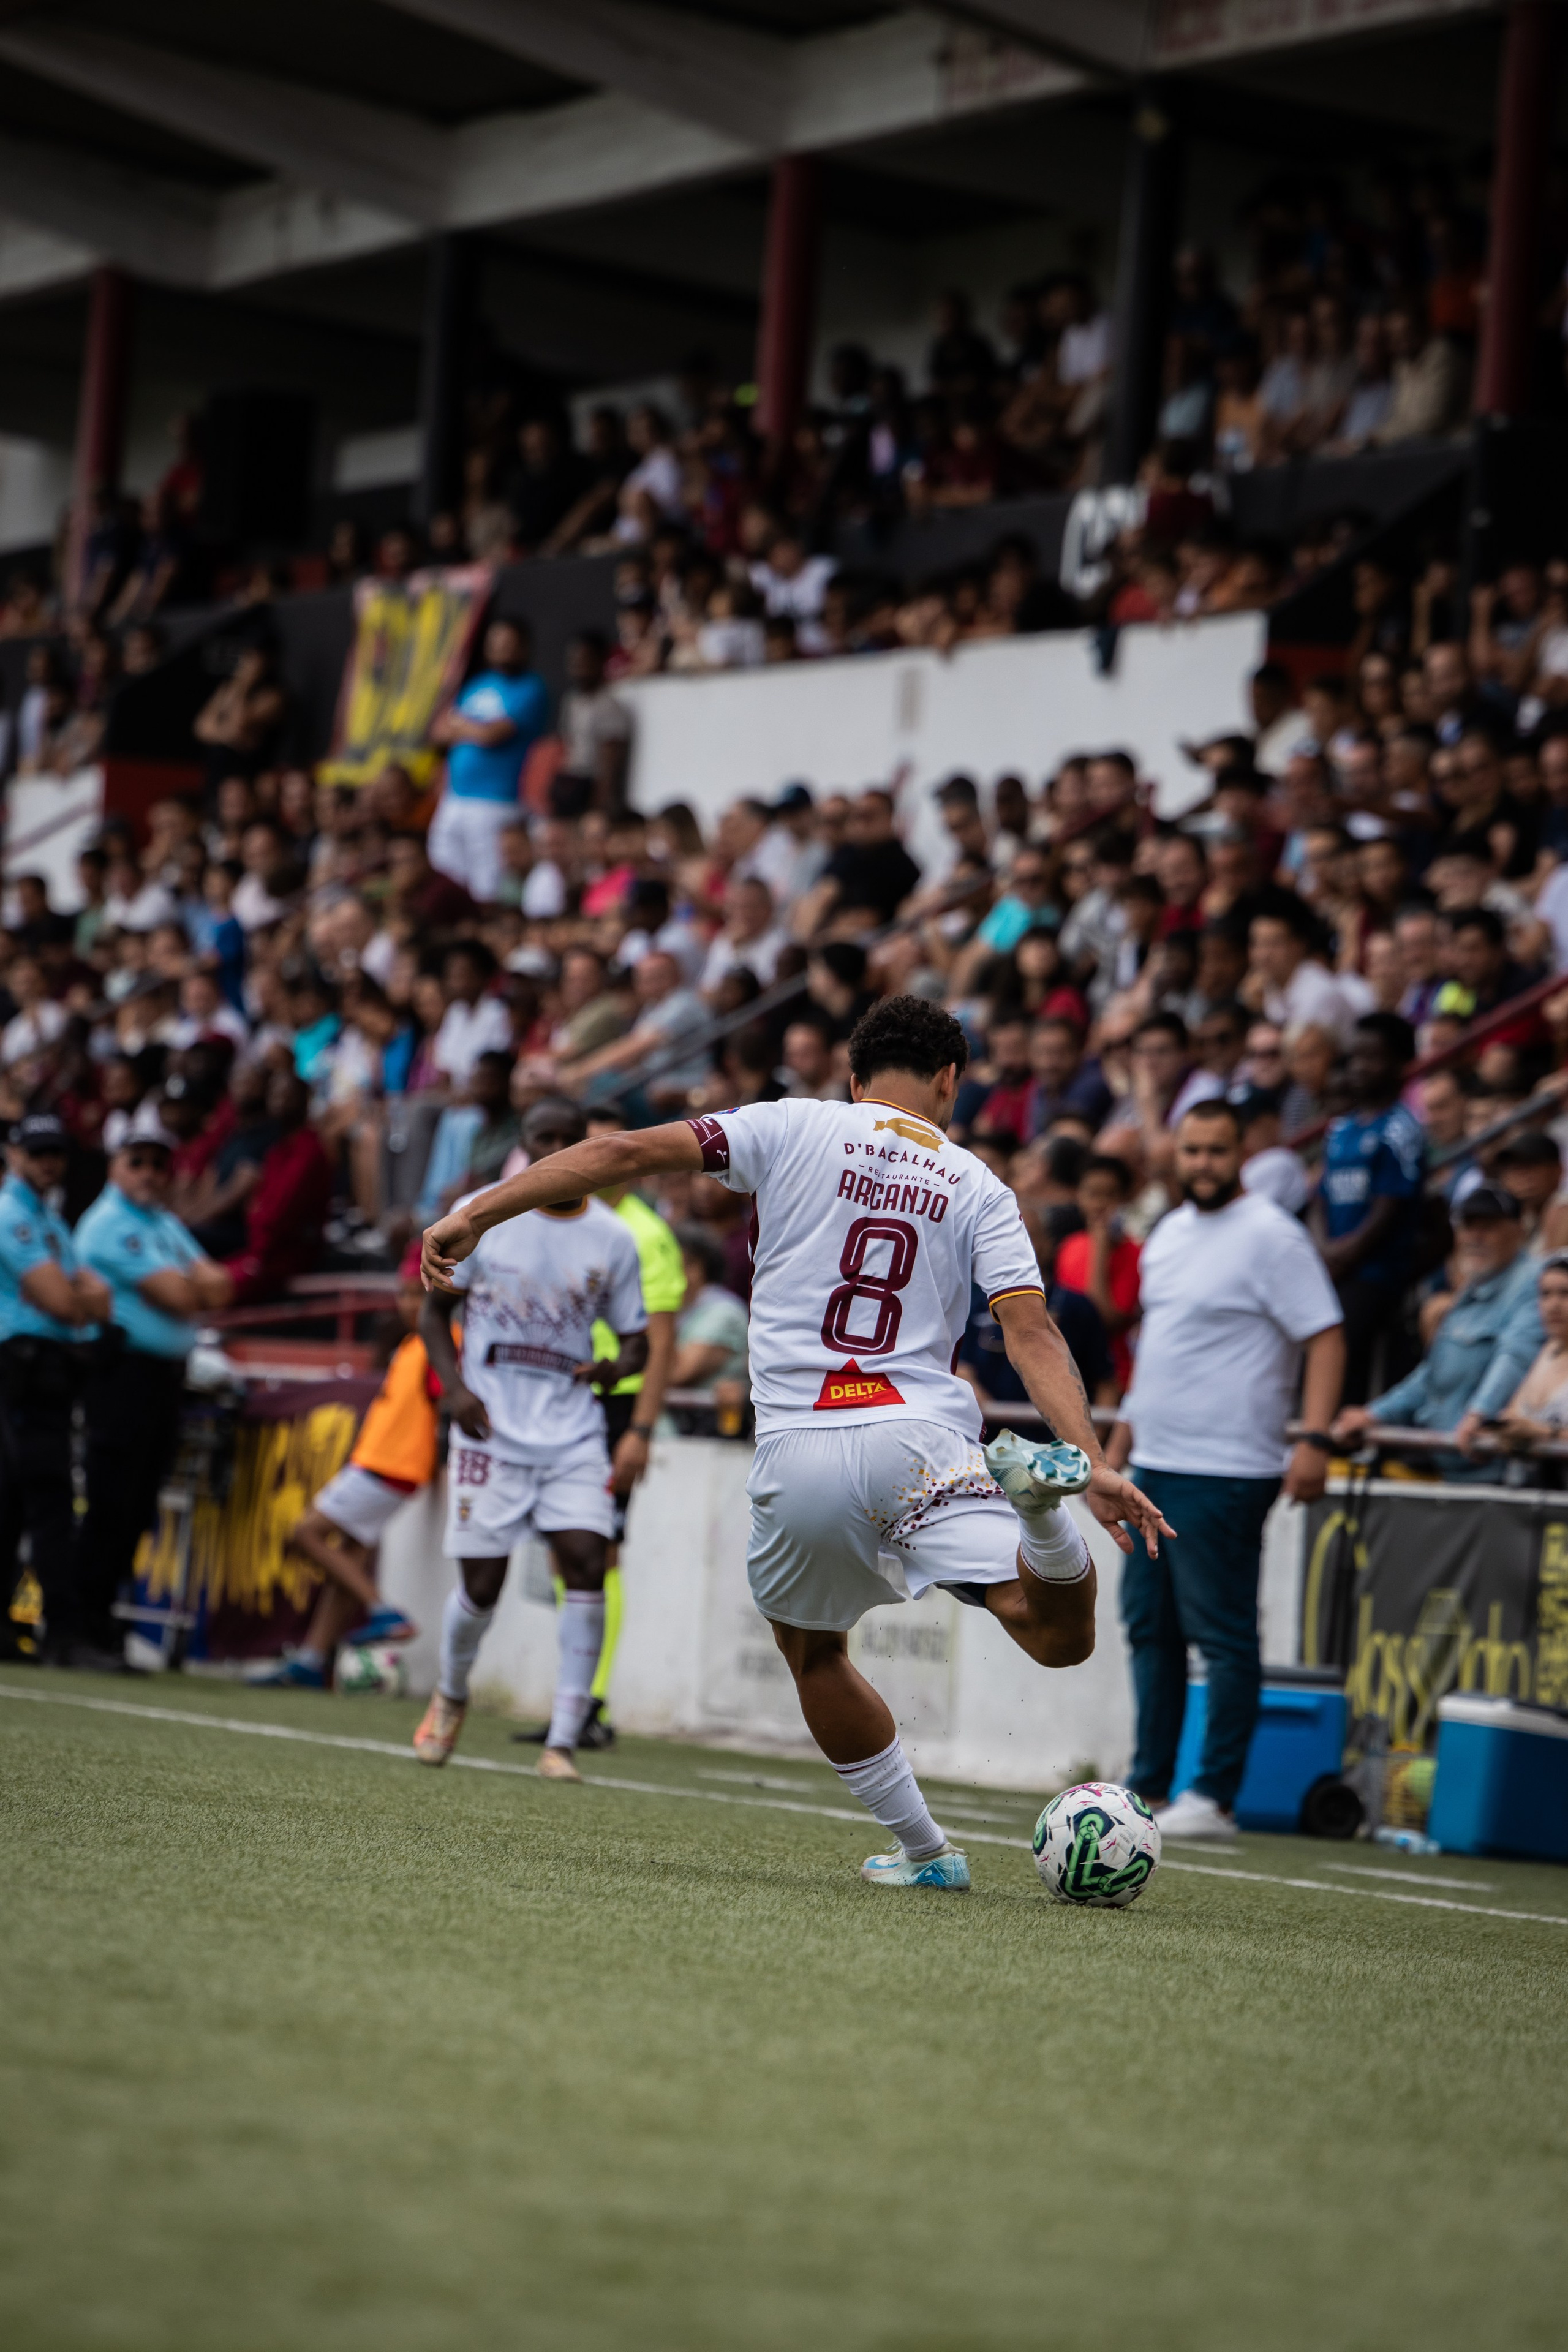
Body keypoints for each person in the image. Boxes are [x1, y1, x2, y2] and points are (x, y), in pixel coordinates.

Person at [423, 995, 1170, 1892]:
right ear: (949, 1082)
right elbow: (1031, 1332)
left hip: (801, 1446)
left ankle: (928, 1854)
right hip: (921, 1439)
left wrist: (479, 1213)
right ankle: (1045, 1515)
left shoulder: (785, 1125)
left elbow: (618, 1153)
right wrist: (1087, 1455)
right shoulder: (980, 1184)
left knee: (814, 1653)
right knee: (1055, 1638)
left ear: (853, 1079)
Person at [1108, 1098, 1345, 1842]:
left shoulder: (1272, 1236)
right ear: (1175, 1154)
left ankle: (1213, 1795)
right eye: (1192, 1151)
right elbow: (1157, 1350)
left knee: (1221, 1632)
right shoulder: (1168, 1234)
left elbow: (1327, 1336)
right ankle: (1147, 1782)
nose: (1203, 1164)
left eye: (1217, 1151)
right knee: (1150, 1628)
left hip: (1229, 1468)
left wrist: (1313, 1439)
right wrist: (1118, 1446)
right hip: (1153, 1460)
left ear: (1242, 1152)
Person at [414, 1098, 649, 1782]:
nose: (554, 1150)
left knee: (586, 1560)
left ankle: (564, 1740)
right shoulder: (482, 1215)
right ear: (522, 1143)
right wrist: (454, 1390)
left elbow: (638, 1342)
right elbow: (433, 1315)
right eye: (541, 1139)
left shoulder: (613, 1237)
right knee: (481, 1587)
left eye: (566, 1140)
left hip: (572, 1429)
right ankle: (452, 1693)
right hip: (492, 1428)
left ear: (584, 1146)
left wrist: (616, 1367)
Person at [72, 1102, 234, 1655]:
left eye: (159, 1165)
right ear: (115, 1165)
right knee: (111, 1500)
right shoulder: (109, 1224)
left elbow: (219, 1288)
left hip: (164, 1378)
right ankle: (82, 1624)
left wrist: (195, 1284)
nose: (149, 1174)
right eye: (137, 1161)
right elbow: (188, 1294)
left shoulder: (162, 1222)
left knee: (139, 1504)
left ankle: (103, 1621)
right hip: (122, 1375)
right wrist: (194, 1284)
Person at [263, 1248, 434, 1687]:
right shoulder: (416, 1342)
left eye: (422, 1294)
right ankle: (311, 1659)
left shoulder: (439, 1341)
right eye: (406, 1293)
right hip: (386, 1464)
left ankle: (383, 1611)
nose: (411, 1303)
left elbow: (449, 1399)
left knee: (305, 1533)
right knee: (347, 1567)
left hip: (389, 1465)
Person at [0, 1114, 112, 1666]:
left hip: (41, 1368)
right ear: (14, 1155)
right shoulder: (12, 1214)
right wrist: (78, 1295)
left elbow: (92, 1291)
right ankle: (64, 1634)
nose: (49, 1162)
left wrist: (78, 1293)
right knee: (46, 1502)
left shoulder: (46, 1216)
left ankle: (21, 1629)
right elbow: (69, 1301)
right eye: (38, 1152)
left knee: (19, 1500)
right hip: (20, 1367)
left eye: (57, 1152)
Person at [1335, 1183, 1544, 1475]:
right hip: (1451, 1464)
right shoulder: (1476, 1283)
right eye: (1469, 1225)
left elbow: (1516, 1355)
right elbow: (1432, 1373)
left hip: (1495, 1472)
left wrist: (1478, 1415)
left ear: (1519, 1230)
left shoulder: (1533, 1281)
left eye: (1489, 1226)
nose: (1476, 1236)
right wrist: (1374, 1414)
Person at [1310, 1013, 1425, 1404]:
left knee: (1340, 1341)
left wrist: (1346, 1253)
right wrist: (1324, 1248)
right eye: (1355, 1057)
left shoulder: (1400, 1130)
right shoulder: (1340, 1130)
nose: (1360, 1067)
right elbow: (1322, 1198)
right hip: (1334, 1264)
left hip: (1376, 1272)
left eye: (1372, 1058)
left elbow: (1389, 1207)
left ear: (1399, 1063)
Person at [428, 619, 549, 902]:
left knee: (487, 881)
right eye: (496, 643)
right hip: (455, 796)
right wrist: (471, 729)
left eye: (509, 643)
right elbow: (439, 731)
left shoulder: (531, 688)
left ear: (524, 647)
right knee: (444, 870)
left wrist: (463, 727)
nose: (501, 649)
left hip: (495, 801)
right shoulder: (478, 685)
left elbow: (493, 734)